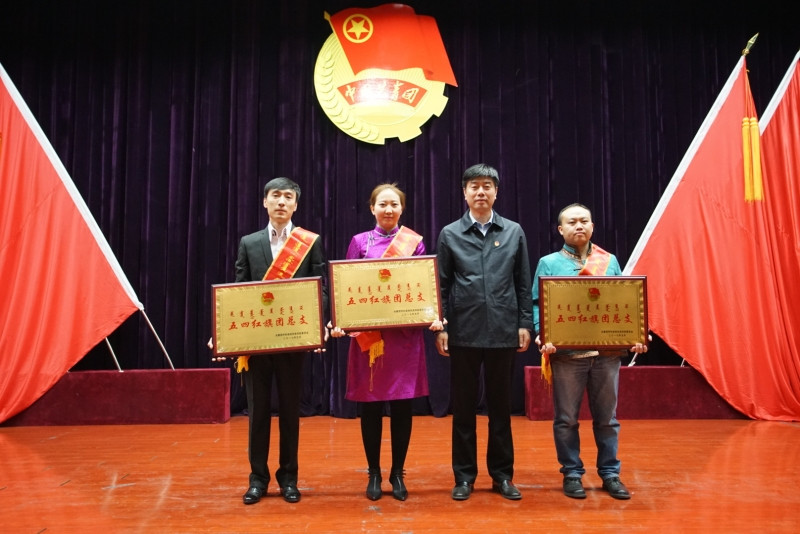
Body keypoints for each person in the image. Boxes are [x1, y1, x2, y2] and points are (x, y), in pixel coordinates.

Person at [330, 183, 443, 501]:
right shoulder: (359, 242)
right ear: (372, 208)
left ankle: (397, 472)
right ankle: (374, 473)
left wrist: (432, 314)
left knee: (403, 406)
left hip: (403, 339)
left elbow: (422, 285)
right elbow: (346, 287)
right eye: (382, 204)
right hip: (370, 341)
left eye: (394, 204)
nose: (388, 209)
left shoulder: (414, 242)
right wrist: (342, 321)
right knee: (370, 407)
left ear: (402, 209)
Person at [533, 203, 648, 501]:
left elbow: (623, 301)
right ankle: (572, 473)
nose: (579, 226)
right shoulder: (548, 263)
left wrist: (635, 334)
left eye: (584, 221)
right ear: (561, 229)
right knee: (566, 419)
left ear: (593, 226)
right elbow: (537, 304)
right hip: (567, 355)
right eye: (572, 222)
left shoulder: (608, 261)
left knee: (607, 419)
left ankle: (610, 474)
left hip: (606, 356)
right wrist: (542, 333)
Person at [435, 163, 533, 501]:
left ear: (496, 192)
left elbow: (523, 282)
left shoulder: (514, 231)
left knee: (500, 409)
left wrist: (524, 323)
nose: (481, 191)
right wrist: (442, 326)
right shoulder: (450, 233)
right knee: (463, 409)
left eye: (487, 186)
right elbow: (441, 284)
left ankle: (502, 476)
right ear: (464, 192)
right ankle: (464, 477)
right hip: (463, 331)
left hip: (503, 330)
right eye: (474, 186)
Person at [235, 177, 327, 505]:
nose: (282, 202)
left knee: (290, 412)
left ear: (296, 205)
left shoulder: (309, 242)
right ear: (265, 201)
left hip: (292, 340)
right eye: (276, 196)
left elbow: (320, 288)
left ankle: (289, 478)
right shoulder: (249, 242)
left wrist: (318, 323)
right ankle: (257, 479)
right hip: (258, 343)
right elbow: (238, 292)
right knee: (257, 412)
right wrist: (228, 331)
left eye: (288, 197)